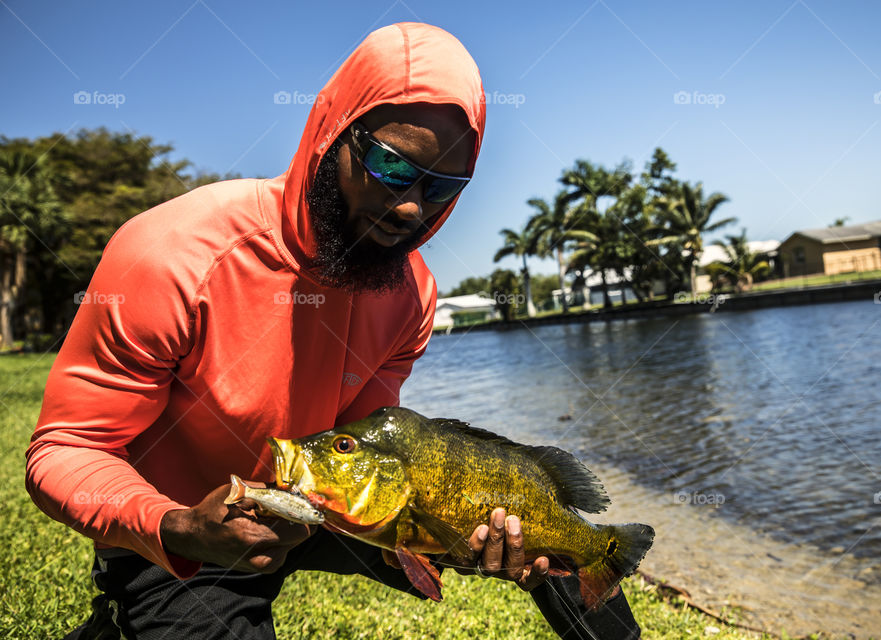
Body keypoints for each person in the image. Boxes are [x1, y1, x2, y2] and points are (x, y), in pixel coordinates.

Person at [25, 22, 641, 639]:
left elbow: (374, 444)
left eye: (442, 188)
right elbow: (66, 449)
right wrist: (176, 528)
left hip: (331, 499)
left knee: (547, 540)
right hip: (183, 531)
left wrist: (461, 531)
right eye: (390, 166)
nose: (410, 208)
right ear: (331, 132)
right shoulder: (171, 255)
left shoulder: (412, 293)